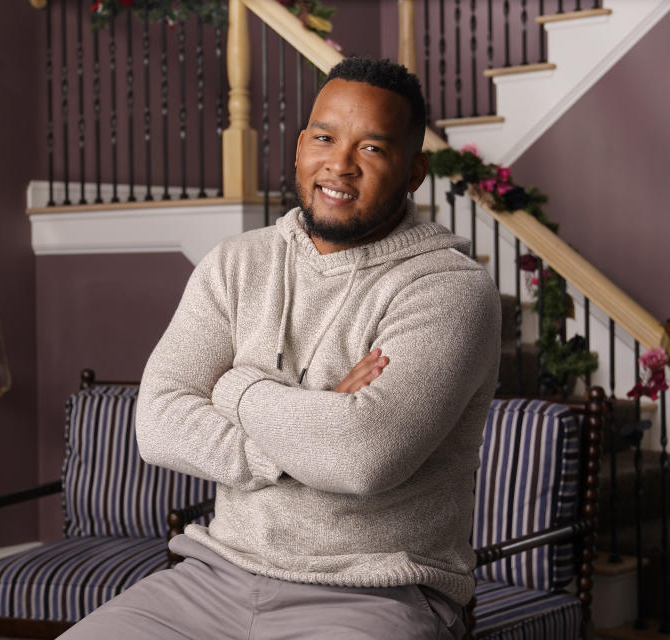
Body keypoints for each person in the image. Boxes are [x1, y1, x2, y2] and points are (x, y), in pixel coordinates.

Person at [59, 57, 501, 639]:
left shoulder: (451, 289)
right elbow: (158, 422)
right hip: (212, 577)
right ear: (299, 149)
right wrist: (310, 427)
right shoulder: (236, 264)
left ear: (414, 171)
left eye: (371, 148)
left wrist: (235, 385)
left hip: (374, 595)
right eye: (324, 138)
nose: (338, 164)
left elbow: (361, 457)